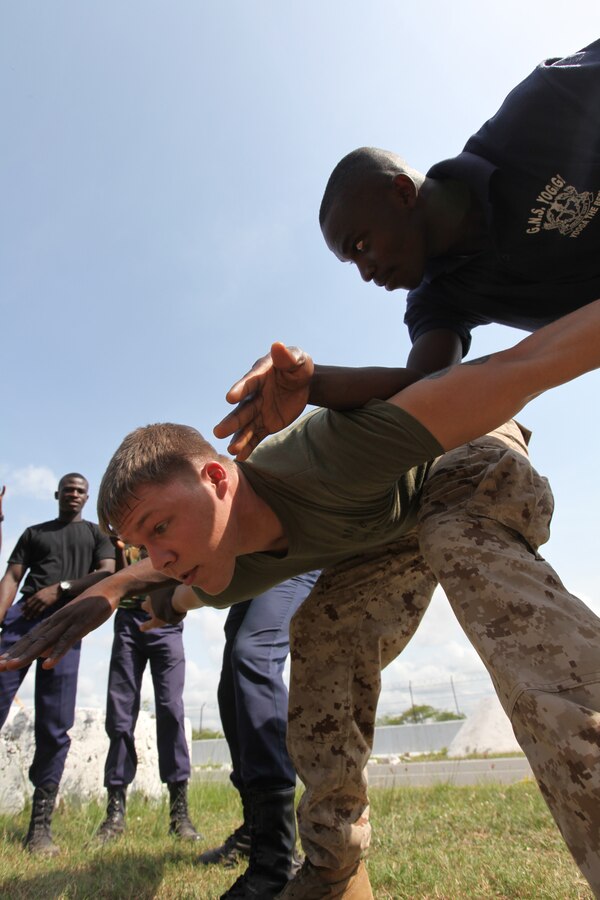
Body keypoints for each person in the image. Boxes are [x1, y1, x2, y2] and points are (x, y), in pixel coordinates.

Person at [2, 299, 600, 894]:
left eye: (160, 528)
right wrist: (110, 592)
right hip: (386, 530)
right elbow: (169, 589)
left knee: (455, 540)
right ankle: (333, 870)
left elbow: (527, 364)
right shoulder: (225, 570)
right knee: (322, 631)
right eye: (140, 545)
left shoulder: (328, 454)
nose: (160, 559)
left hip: (462, 453)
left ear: (216, 479)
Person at [0, 473, 115, 855]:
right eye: (68, 490)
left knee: (54, 724)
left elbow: (107, 572)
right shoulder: (35, 532)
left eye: (81, 490)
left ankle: (39, 827)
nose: (74, 495)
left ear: (86, 497)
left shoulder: (97, 534)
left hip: (65, 627)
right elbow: (13, 575)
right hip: (20, 624)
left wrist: (61, 589)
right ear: (57, 494)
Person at [197, 573, 320, 899]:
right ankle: (255, 829)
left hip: (294, 551)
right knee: (232, 684)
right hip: (260, 558)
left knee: (255, 653)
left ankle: (276, 860)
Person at [95, 541, 201, 845]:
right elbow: (114, 578)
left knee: (170, 709)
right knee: (120, 715)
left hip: (166, 622)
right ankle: (115, 812)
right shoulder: (118, 537)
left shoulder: (166, 530)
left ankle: (179, 813)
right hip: (127, 623)